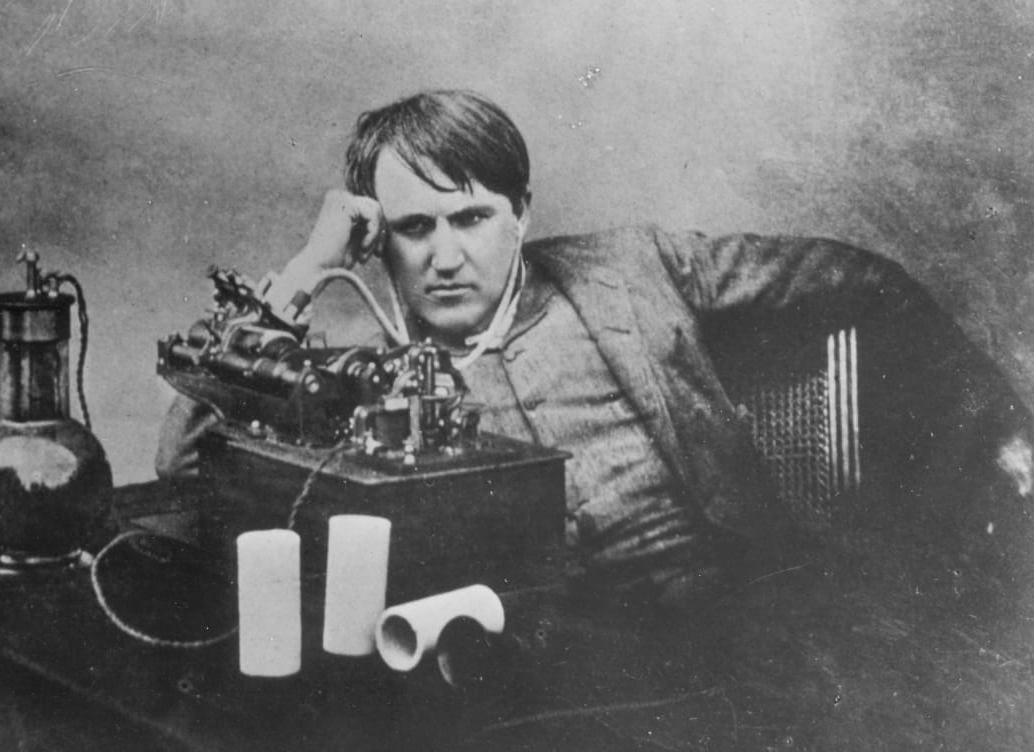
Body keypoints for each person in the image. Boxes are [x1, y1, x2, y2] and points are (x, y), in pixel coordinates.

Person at [157, 89, 1032, 605]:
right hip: (528, 657)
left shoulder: (632, 269)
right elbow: (183, 463)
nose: (446, 255)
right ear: (376, 239)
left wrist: (1007, 443)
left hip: (738, 609)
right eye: (414, 228)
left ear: (521, 214)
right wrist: (306, 270)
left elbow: (861, 281)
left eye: (472, 218)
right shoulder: (354, 354)